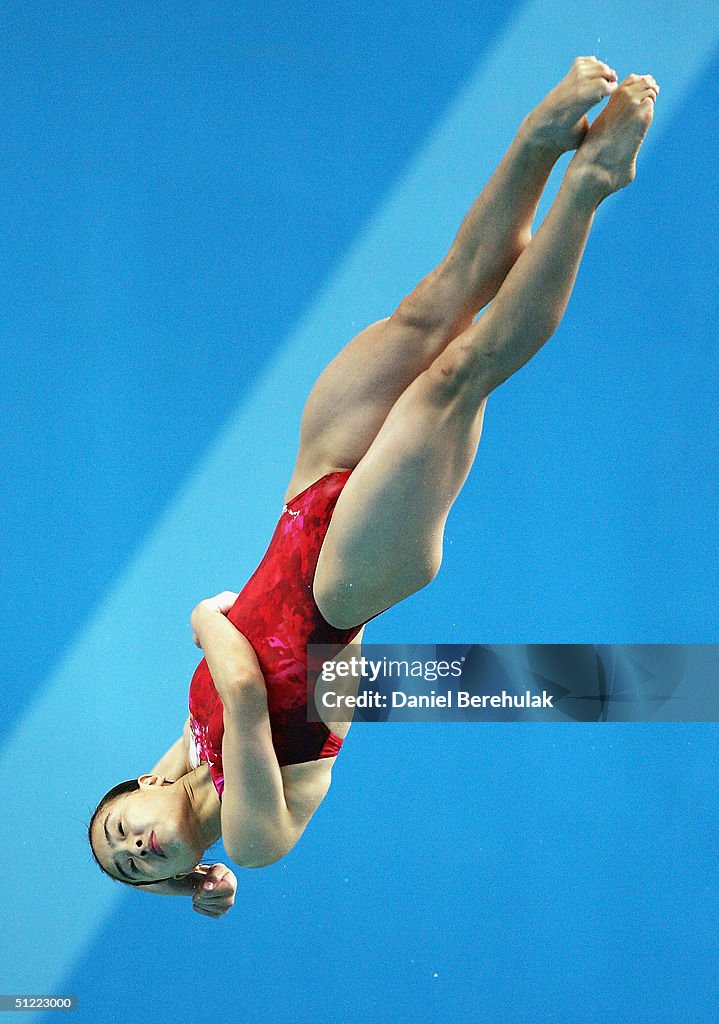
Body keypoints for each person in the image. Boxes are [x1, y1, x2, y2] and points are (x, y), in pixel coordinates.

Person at [88, 59, 659, 917]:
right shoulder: (253, 837)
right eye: (136, 867)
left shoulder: (181, 758)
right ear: (169, 874)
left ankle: (540, 142)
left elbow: (217, 710)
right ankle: (591, 181)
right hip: (344, 587)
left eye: (118, 831)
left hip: (302, 501)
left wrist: (198, 879)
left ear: (135, 786)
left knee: (428, 312)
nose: (135, 844)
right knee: (460, 374)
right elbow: (242, 686)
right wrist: (203, 620)